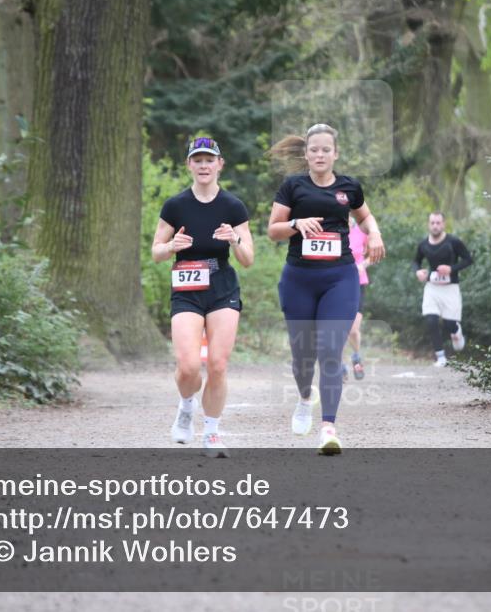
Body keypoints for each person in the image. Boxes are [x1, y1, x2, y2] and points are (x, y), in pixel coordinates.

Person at [267, 123, 385, 455]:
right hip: (299, 279)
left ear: (336, 154)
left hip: (340, 277)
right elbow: (272, 230)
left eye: (326, 150)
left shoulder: (349, 187)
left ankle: (328, 429)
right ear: (306, 154)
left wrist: (374, 234)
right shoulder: (292, 186)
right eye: (314, 149)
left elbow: (365, 218)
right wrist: (295, 224)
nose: (320, 155)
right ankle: (305, 397)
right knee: (302, 357)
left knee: (331, 352)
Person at [151, 137, 253, 457]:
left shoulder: (233, 206)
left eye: (210, 160)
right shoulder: (175, 205)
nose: (204, 165)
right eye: (198, 160)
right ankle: (185, 407)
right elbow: (156, 252)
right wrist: (171, 247)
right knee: (188, 366)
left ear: (220, 164)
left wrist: (234, 239)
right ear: (189, 165)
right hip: (187, 287)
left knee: (219, 365)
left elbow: (248, 258)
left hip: (222, 286)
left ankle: (211, 432)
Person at [412, 212, 472, 367]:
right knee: (431, 321)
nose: (435, 226)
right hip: (432, 288)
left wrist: (451, 269)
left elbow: (468, 259)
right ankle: (440, 357)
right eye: (432, 223)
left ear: (443, 224)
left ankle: (456, 331)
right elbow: (416, 261)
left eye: (438, 223)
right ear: (428, 224)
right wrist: (418, 272)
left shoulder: (453, 242)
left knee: (450, 324)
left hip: (450, 288)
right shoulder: (423, 244)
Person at [345, 214, 370, 380]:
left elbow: (371, 253)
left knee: (353, 330)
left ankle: (356, 356)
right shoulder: (333, 233)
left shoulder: (361, 232)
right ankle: (339, 368)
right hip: (337, 283)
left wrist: (363, 264)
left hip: (358, 284)